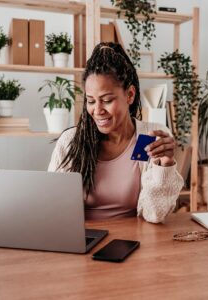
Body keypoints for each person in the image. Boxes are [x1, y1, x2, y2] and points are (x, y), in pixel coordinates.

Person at [48, 42, 184, 223]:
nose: (97, 110)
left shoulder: (147, 138)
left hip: (132, 242)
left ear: (130, 95)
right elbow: (53, 208)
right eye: (90, 101)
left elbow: (154, 214)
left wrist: (165, 164)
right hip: (81, 241)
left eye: (107, 100)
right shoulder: (71, 141)